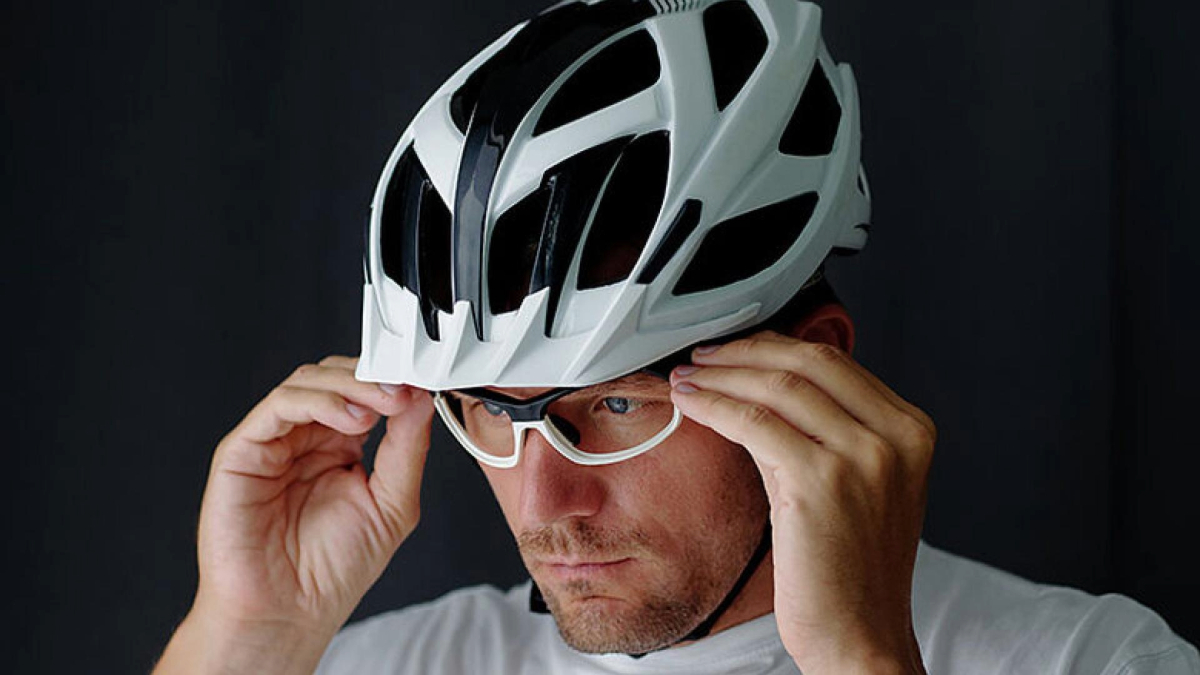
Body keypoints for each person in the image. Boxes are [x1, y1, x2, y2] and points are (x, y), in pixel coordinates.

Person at [153, 0, 1199, 673]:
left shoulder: (1087, 660)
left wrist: (863, 662)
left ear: (814, 373)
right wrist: (246, 635)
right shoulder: (382, 665)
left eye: (613, 405)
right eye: (491, 413)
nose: (545, 503)